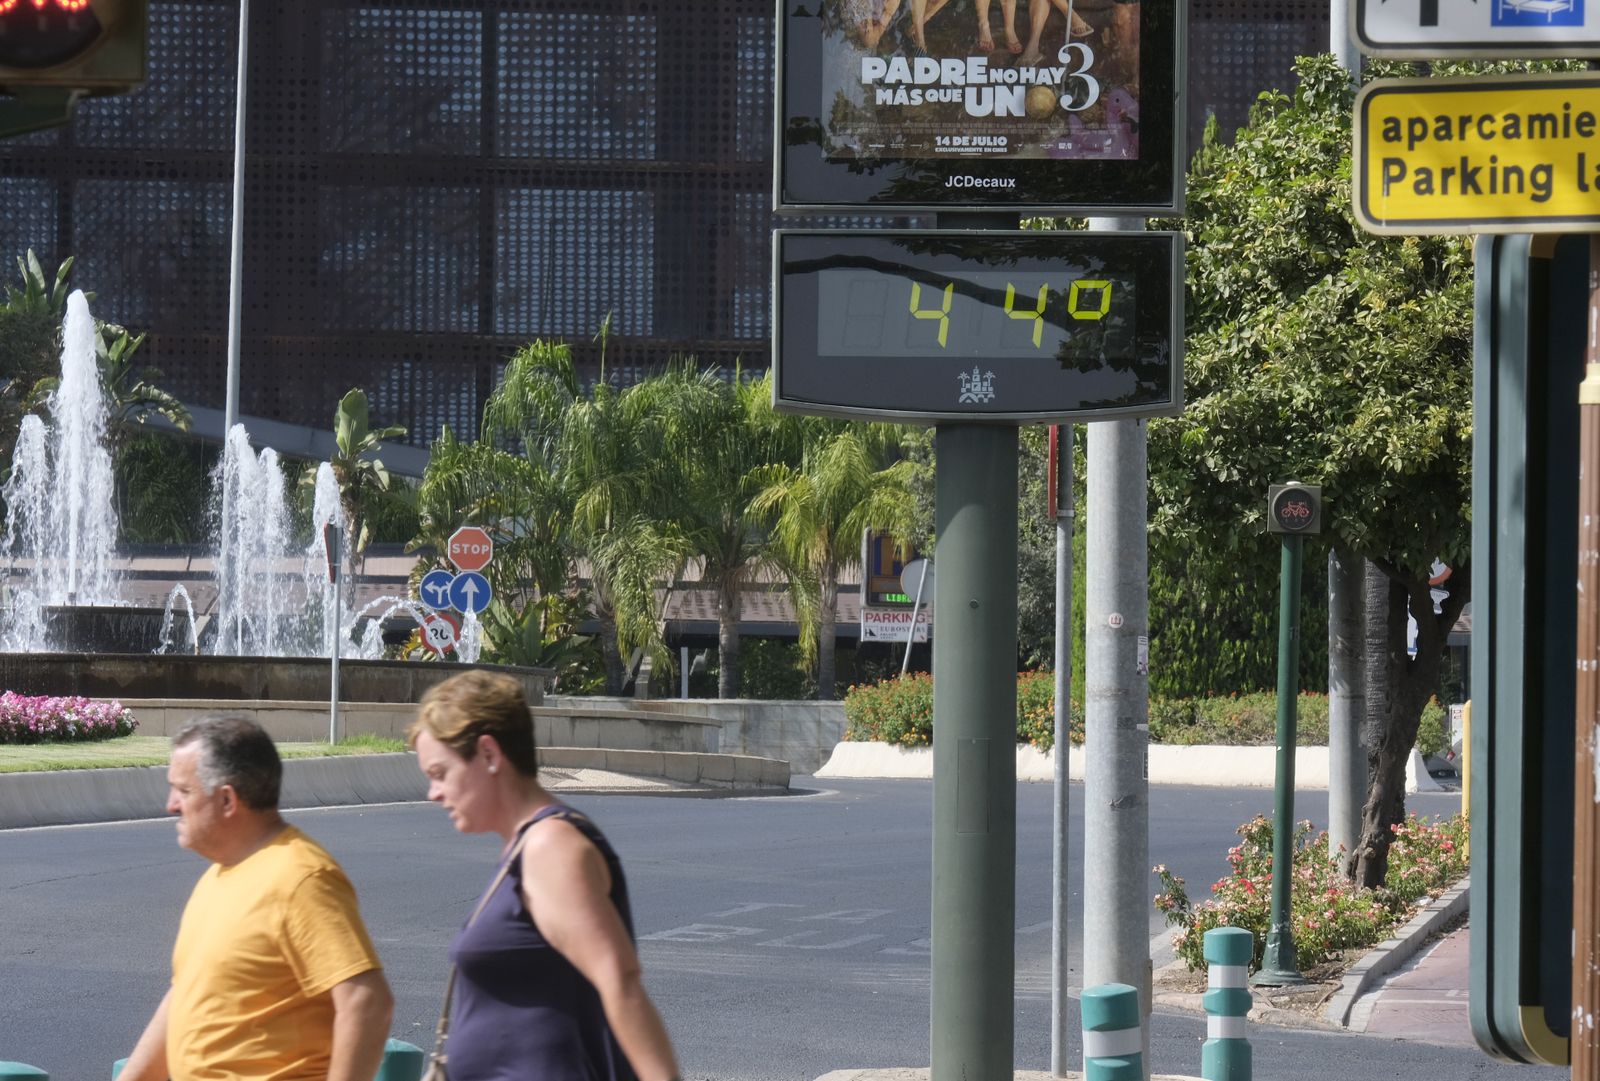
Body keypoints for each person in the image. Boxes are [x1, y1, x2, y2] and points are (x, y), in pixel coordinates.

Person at [408, 670, 680, 1081]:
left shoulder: (550, 846)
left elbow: (620, 981)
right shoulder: (525, 846)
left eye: (440, 773)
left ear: (488, 754)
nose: (433, 793)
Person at [118, 716, 395, 1081]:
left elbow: (366, 1002)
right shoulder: (220, 874)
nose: (171, 804)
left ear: (228, 799)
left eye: (183, 791)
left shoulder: (301, 877)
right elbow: (186, 996)